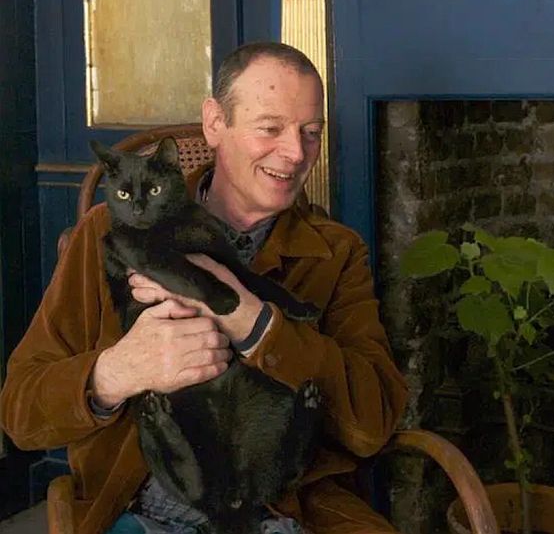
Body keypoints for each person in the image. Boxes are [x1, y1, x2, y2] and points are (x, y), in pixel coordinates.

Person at [0, 41, 408, 534]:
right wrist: (115, 373)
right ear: (215, 122)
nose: (297, 153)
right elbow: (20, 411)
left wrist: (255, 323)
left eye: (311, 132)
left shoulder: (336, 253)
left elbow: (373, 424)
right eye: (270, 128)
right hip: (143, 509)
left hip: (286, 511)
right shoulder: (105, 234)